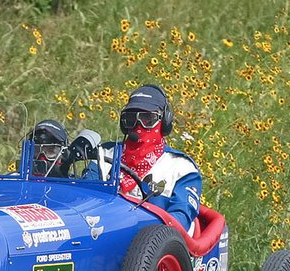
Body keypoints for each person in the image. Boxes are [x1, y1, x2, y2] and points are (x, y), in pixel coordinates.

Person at [80, 85, 202, 232]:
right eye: (131, 119)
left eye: (147, 118)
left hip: (153, 247)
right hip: (105, 236)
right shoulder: (104, 154)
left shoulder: (182, 168)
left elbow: (180, 221)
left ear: (164, 121)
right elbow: (84, 201)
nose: (138, 126)